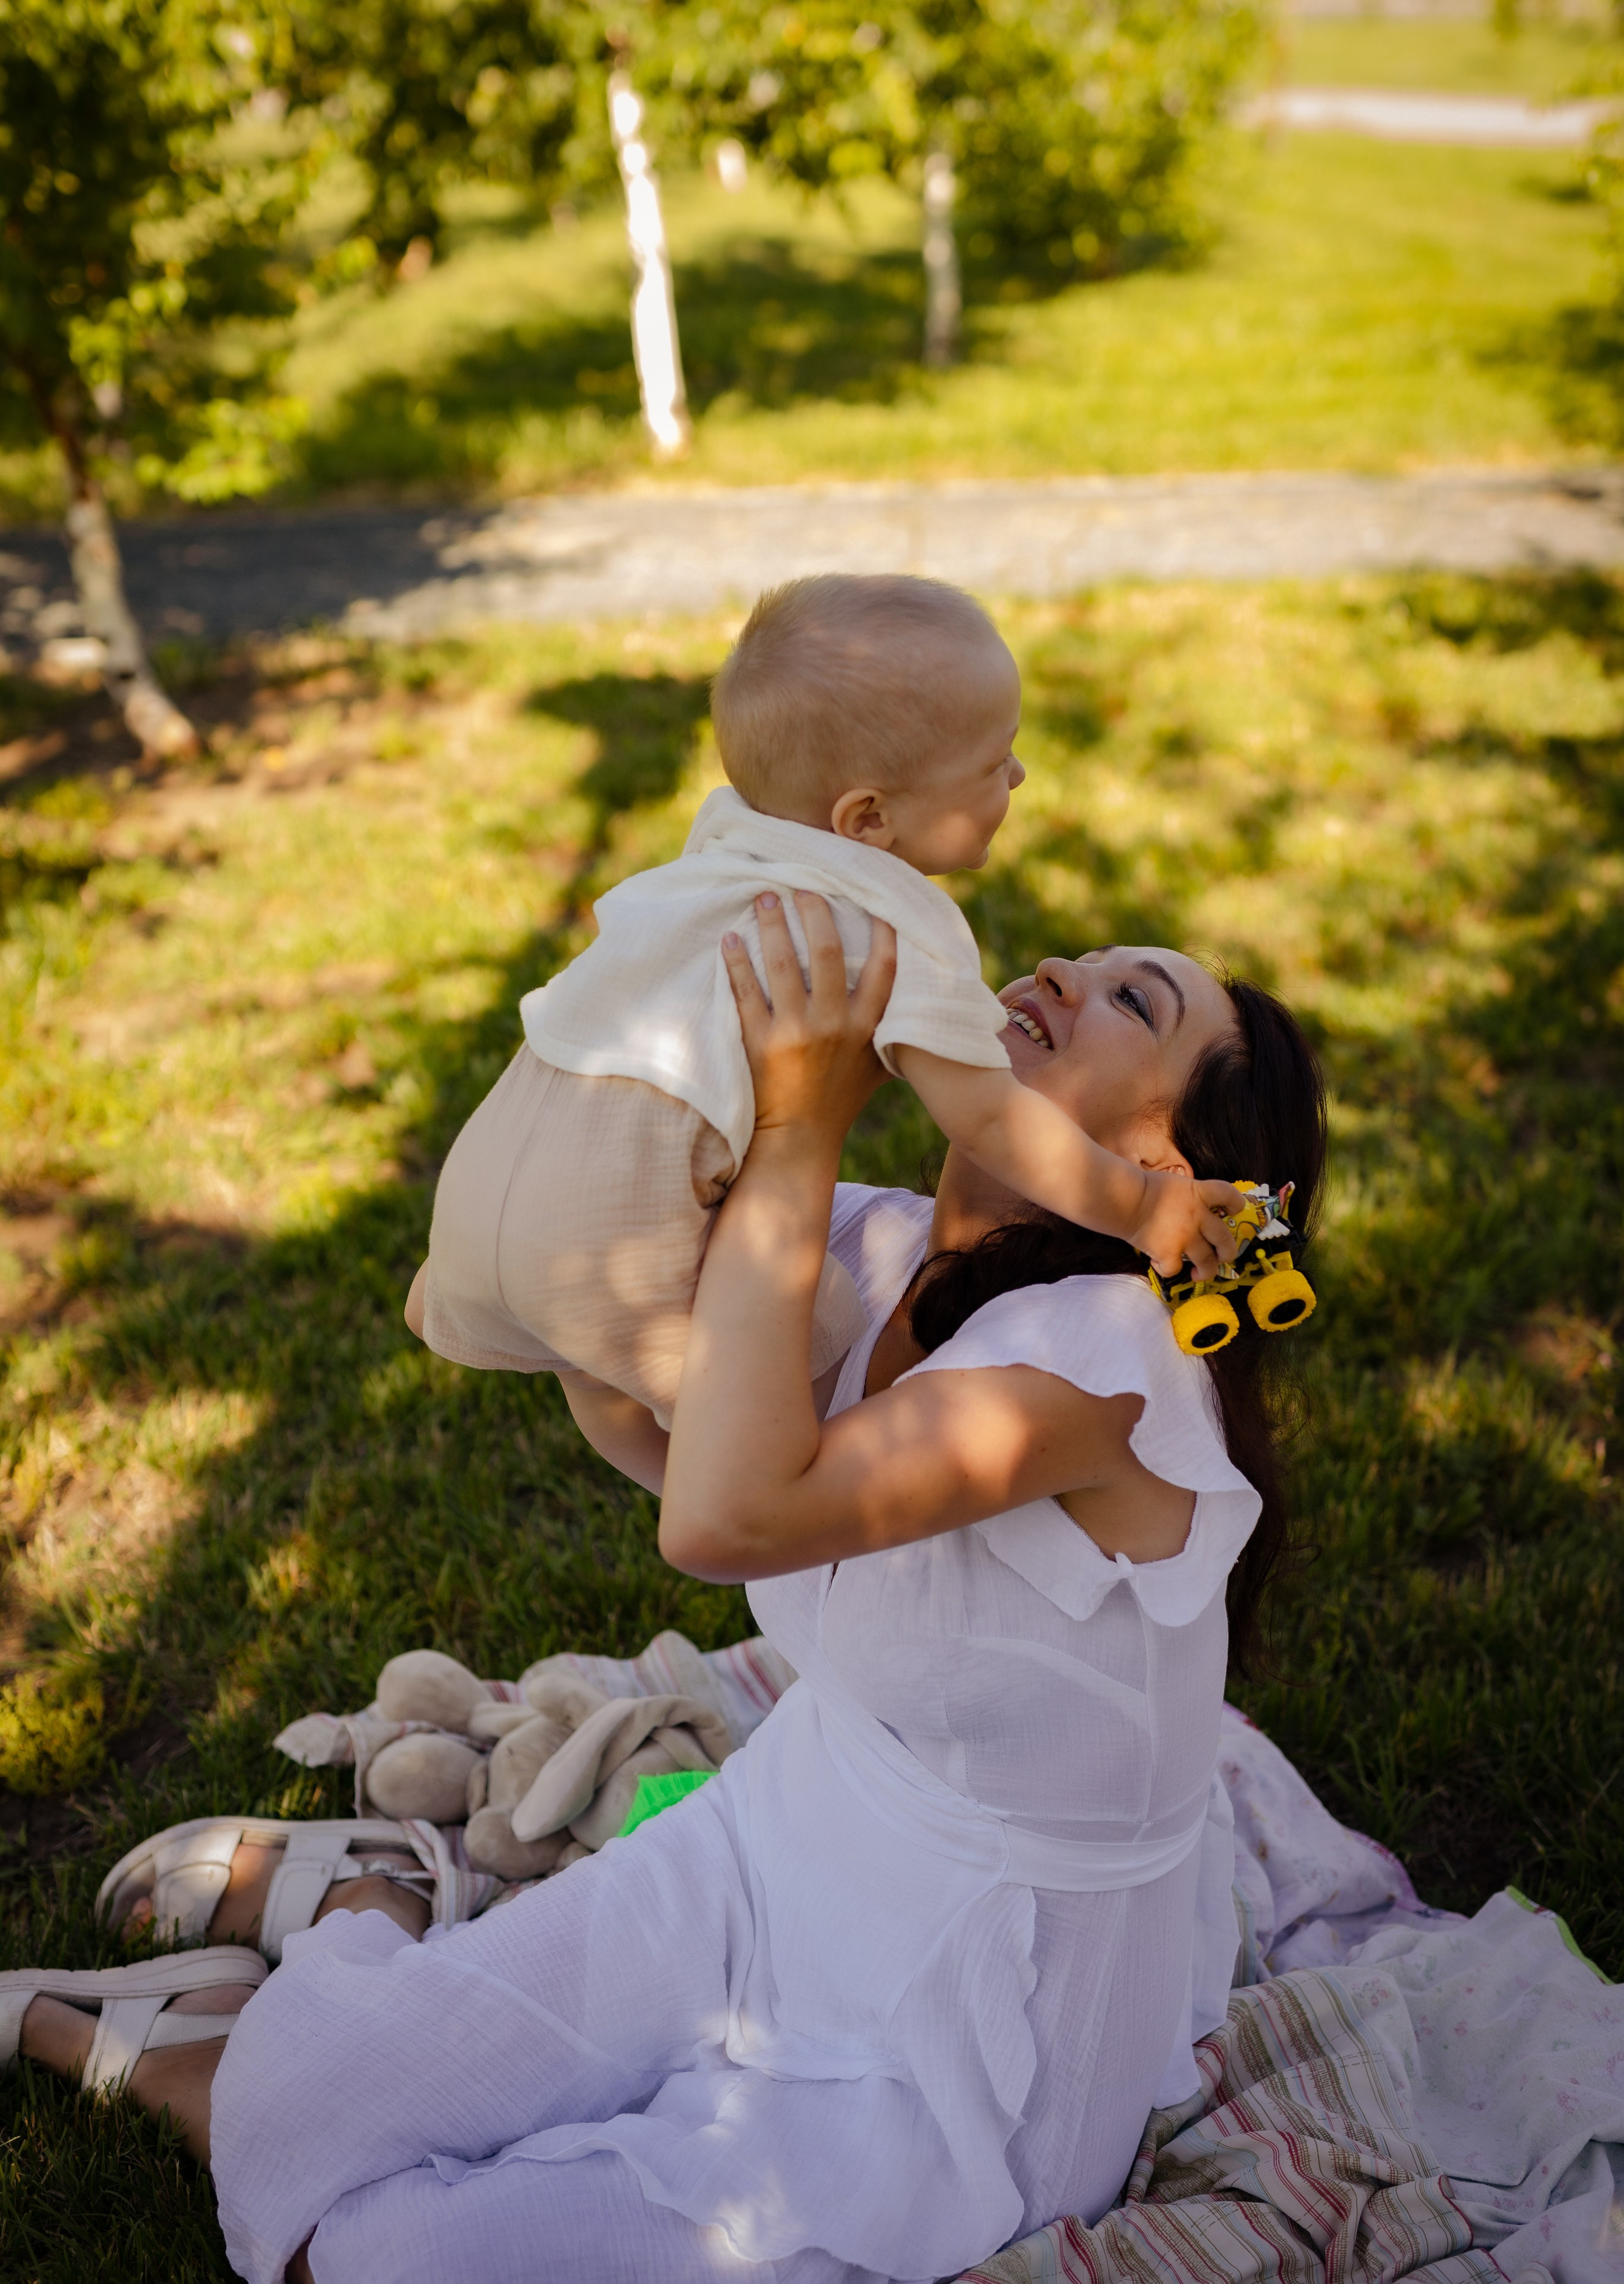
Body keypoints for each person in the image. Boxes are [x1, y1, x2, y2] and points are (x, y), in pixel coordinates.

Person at [4, 903, 1326, 2284]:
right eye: (1094, 960)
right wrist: (645, 1068)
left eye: (1133, 1002)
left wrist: (802, 1126)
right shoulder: (881, 1254)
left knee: (395, 2261)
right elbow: (650, 1429)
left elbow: (726, 1520)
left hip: (961, 2033)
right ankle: (364, 1916)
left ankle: (251, 2023)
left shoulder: (1099, 1360)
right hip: (782, 1840)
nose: (1061, 969)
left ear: (1158, 1168)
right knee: (305, 2114)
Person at [409, 574, 1241, 1429]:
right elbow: (990, 1118)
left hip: (485, 1180)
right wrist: (1142, 1206)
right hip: (614, 1227)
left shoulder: (721, 848)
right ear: (869, 821)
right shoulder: (897, 923)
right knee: (807, 1347)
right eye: (997, 762)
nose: (1020, 775)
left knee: (585, 1340)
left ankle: (523, 1315)